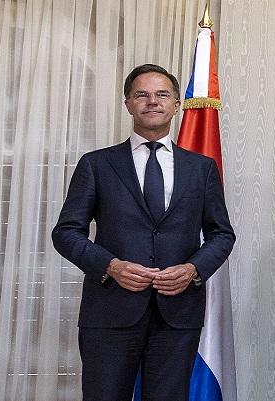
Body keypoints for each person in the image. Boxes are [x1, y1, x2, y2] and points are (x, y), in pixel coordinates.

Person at [52, 63, 235, 401]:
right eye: (142, 94)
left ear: (177, 105)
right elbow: (66, 232)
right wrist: (111, 266)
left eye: (162, 94)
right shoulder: (96, 164)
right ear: (128, 104)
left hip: (177, 313)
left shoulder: (201, 168)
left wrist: (194, 270)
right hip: (109, 311)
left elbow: (222, 234)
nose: (153, 101)